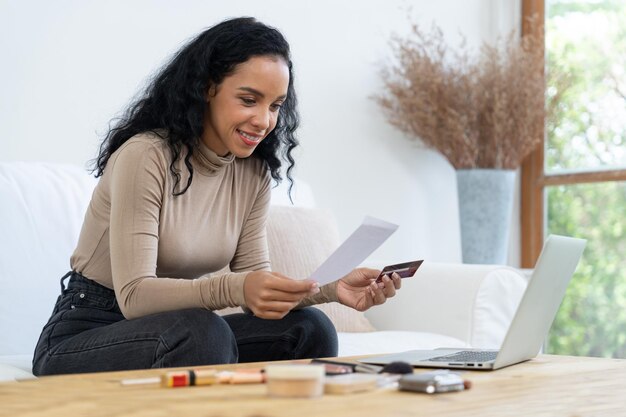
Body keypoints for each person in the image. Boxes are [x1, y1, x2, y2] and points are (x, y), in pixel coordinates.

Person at [32, 17, 402, 376]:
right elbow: (135, 296)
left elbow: (255, 289)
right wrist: (237, 286)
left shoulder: (252, 173)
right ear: (208, 88)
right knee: (204, 332)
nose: (263, 120)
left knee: (309, 328)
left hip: (176, 329)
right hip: (90, 328)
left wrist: (329, 291)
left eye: (274, 105)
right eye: (248, 99)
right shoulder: (146, 155)